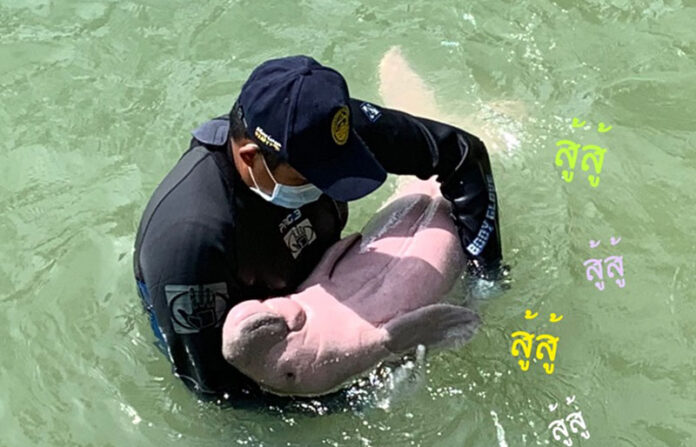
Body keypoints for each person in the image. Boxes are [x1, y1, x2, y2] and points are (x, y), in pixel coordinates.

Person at [132, 55, 504, 402]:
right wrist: (348, 402)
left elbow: (462, 156)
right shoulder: (190, 243)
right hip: (227, 307)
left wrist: (484, 275)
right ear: (251, 159)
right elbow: (215, 388)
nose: (329, 183)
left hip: (312, 266)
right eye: (315, 176)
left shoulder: (323, 132)